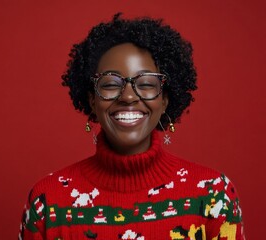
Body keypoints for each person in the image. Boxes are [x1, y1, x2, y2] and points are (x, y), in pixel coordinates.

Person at [18, 13, 245, 240]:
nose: (127, 96)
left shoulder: (213, 195)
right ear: (92, 100)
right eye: (110, 84)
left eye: (145, 83)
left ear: (164, 100)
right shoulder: (47, 202)